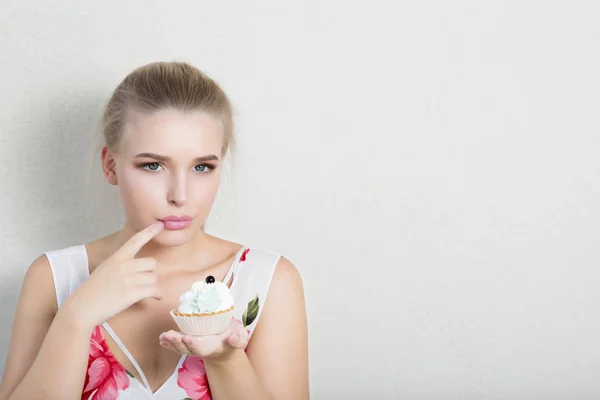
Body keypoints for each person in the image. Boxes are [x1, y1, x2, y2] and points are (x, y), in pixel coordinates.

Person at [0, 61, 309, 400]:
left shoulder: (268, 281)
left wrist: (226, 360)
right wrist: (77, 316)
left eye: (202, 167)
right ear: (110, 165)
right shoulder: (52, 277)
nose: (180, 195)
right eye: (153, 165)